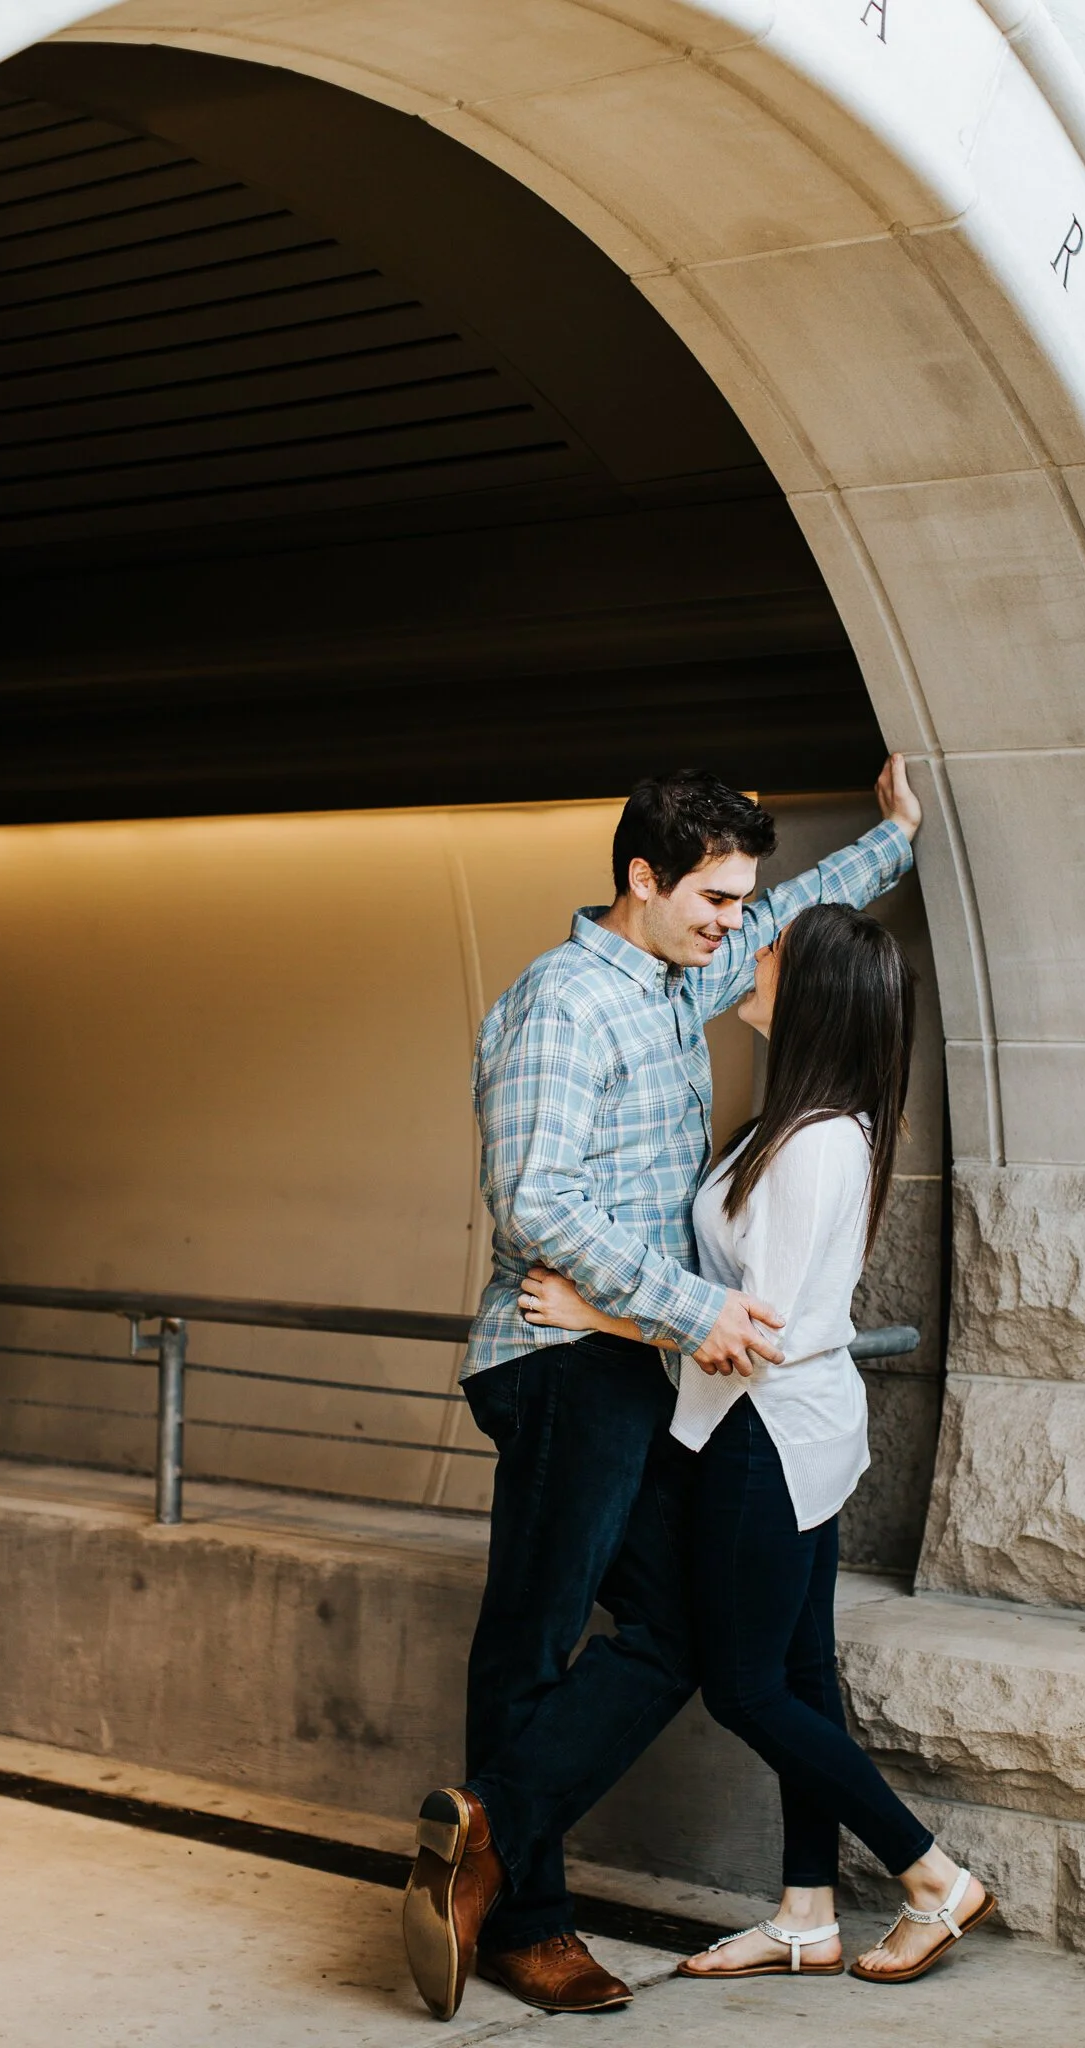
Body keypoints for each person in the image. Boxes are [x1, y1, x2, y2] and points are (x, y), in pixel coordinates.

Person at [402, 759, 921, 2022]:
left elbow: (795, 908)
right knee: (532, 1635)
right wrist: (694, 1308)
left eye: (743, 902)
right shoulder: (567, 1002)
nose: (735, 923)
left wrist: (894, 839)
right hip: (559, 1359)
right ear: (642, 878)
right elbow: (534, 1199)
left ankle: (487, 1831)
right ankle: (526, 1923)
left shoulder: (674, 978)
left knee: (676, 1637)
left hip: (630, 1357)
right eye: (715, 898)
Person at [519, 902, 996, 1986]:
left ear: (815, 989)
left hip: (763, 1436)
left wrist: (600, 1316)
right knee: (798, 1673)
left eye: (771, 946)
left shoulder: (817, 1144)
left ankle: (931, 1873)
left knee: (744, 1685)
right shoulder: (807, 1125)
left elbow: (752, 1333)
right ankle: (805, 1914)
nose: (749, 951)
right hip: (791, 1431)